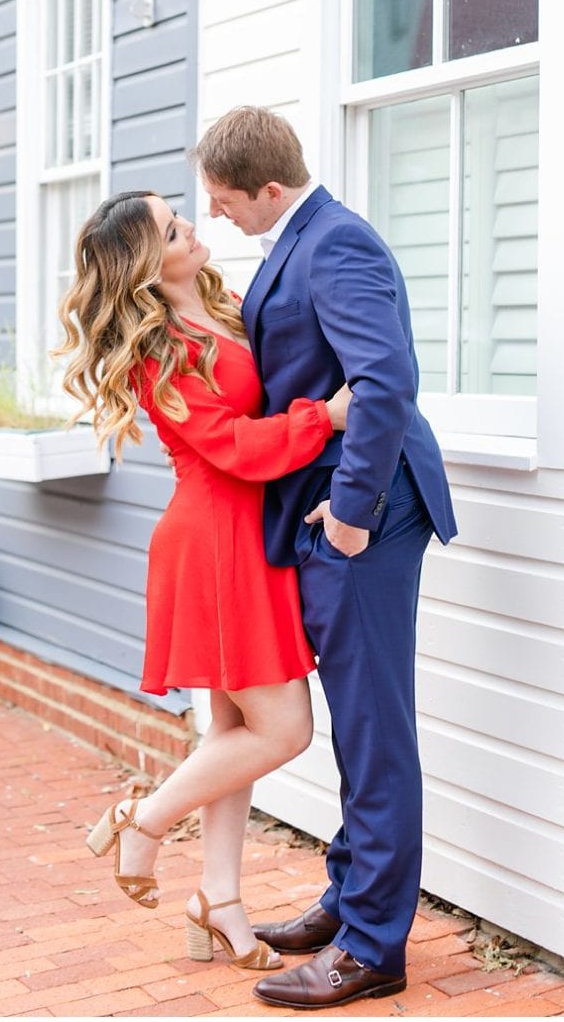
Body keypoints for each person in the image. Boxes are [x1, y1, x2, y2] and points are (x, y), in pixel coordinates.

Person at [192, 105, 456, 1009]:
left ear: (269, 187)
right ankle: (348, 901)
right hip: (333, 517)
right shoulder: (293, 238)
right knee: (355, 720)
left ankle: (374, 946)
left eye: (225, 201)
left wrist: (349, 516)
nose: (217, 215)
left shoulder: (336, 243)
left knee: (376, 729)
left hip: (365, 519)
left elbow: (384, 382)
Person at [53, 188, 351, 974]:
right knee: (283, 729)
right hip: (212, 543)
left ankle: (218, 898)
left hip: (243, 537)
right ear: (150, 262)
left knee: (232, 735)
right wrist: (326, 417)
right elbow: (232, 447)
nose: (191, 225)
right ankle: (143, 819)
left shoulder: (221, 306)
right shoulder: (160, 349)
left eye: (180, 215)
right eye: (173, 227)